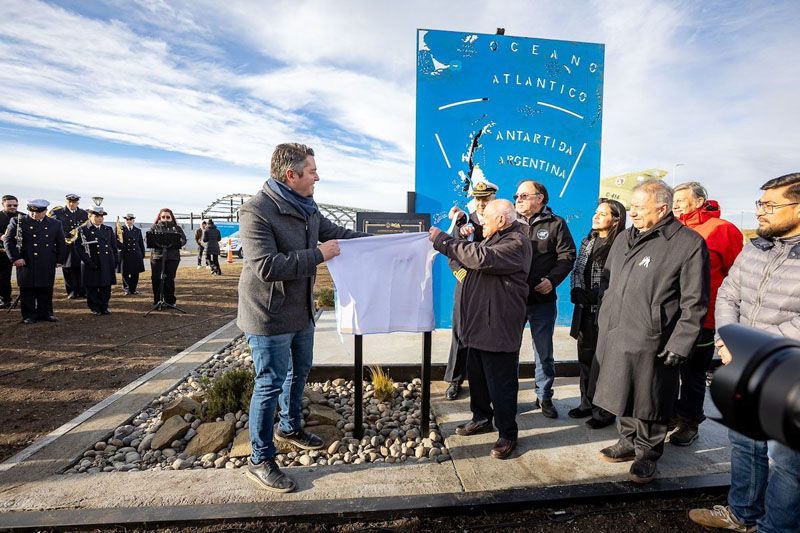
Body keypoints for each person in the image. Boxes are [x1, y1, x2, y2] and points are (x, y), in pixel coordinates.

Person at [237, 143, 369, 493]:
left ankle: (290, 427)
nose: (317, 176)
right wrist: (317, 255)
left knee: (300, 372)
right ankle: (260, 460)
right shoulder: (256, 211)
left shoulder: (308, 207)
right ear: (290, 175)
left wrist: (387, 242)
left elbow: (340, 235)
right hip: (268, 315)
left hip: (300, 312)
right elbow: (265, 267)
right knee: (269, 384)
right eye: (312, 171)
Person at [690, 172, 800, 533]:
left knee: (786, 461)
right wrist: (727, 341)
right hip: (741, 361)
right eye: (759, 204)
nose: (760, 213)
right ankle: (742, 514)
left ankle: (776, 527)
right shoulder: (756, 247)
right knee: (744, 444)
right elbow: (728, 295)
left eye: (770, 205)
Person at [592, 180, 709, 484]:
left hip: (654, 337)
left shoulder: (687, 244)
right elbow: (609, 283)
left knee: (651, 396)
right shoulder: (623, 239)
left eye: (639, 208)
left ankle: (647, 452)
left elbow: (695, 302)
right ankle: (628, 440)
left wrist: (682, 342)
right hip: (616, 330)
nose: (632, 213)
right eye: (631, 207)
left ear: (663, 207)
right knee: (622, 390)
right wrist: (604, 314)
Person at [429, 199, 532, 459]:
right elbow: (470, 255)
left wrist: (444, 241)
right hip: (477, 325)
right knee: (478, 378)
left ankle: (507, 434)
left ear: (501, 220)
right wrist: (459, 229)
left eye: (485, 217)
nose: (481, 221)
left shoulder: (516, 242)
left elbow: (480, 258)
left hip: (497, 325)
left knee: (501, 384)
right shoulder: (494, 238)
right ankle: (481, 417)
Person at [670, 181, 743, 446]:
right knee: (667, 369)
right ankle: (672, 413)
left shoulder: (722, 229)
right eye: (673, 199)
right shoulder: (673, 229)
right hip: (669, 316)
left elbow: (738, 278)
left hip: (703, 317)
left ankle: (690, 421)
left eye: (681, 199)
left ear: (700, 201)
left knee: (692, 372)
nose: (675, 203)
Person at [514, 180, 576, 418]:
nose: (518, 199)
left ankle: (544, 397)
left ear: (539, 198)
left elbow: (567, 256)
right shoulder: (509, 222)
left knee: (543, 352)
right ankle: (508, 396)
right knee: (509, 351)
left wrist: (552, 280)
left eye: (523, 195)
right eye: (517, 196)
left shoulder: (556, 224)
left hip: (542, 301)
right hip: (514, 300)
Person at [568, 198, 626, 429]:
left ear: (615, 220)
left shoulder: (621, 244)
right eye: (596, 212)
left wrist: (598, 295)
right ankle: (587, 403)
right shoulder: (588, 240)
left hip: (607, 313)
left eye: (602, 214)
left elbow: (620, 279)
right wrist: (576, 290)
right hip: (584, 312)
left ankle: (605, 410)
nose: (596, 216)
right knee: (586, 359)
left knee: (605, 362)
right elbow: (577, 270)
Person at [443, 180, 498, 401]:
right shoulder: (464, 221)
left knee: (490, 336)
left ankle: (486, 382)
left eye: (486, 198)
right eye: (478, 199)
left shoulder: (500, 221)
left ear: (494, 198)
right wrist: (465, 279)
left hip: (493, 289)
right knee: (461, 334)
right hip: (467, 287)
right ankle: (455, 381)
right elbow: (452, 256)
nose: (482, 203)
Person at [2, 199, 65, 323]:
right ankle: (29, 315)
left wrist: (60, 259)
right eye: (31, 212)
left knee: (46, 288)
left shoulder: (55, 223)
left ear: (45, 211)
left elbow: (61, 243)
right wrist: (15, 258)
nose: (34, 215)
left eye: (38, 212)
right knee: (27, 289)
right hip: (26, 261)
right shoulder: (18, 221)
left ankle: (46, 313)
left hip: (46, 260)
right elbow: (8, 241)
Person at [74, 205, 119, 315]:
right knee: (92, 286)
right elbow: (78, 247)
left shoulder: (107, 229)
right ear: (89, 216)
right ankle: (95, 307)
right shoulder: (82, 230)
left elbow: (113, 246)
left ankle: (104, 306)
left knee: (105, 286)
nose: (100, 218)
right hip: (92, 262)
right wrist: (88, 261)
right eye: (97, 216)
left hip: (106, 261)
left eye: (101, 216)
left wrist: (115, 260)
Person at [49, 193, 88, 299]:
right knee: (68, 268)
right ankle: (72, 291)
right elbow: (55, 228)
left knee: (81, 268)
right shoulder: (58, 212)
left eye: (74, 202)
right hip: (66, 245)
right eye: (69, 202)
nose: (72, 204)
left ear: (77, 203)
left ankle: (82, 291)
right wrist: (68, 235)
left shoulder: (84, 213)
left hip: (80, 245)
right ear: (66, 202)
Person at [146, 208, 187, 306]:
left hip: (172, 258)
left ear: (171, 217)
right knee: (156, 279)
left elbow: (184, 240)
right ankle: (157, 301)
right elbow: (147, 239)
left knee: (169, 279)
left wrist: (178, 243)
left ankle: (170, 301)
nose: (165, 219)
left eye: (167, 217)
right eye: (163, 217)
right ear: (160, 217)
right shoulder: (155, 227)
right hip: (157, 257)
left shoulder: (177, 228)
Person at [117, 213, 145, 295]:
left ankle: (133, 289)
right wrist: (121, 246)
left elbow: (140, 244)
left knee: (135, 273)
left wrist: (142, 254)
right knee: (125, 273)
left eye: (130, 220)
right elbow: (116, 242)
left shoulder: (138, 230)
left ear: (133, 221)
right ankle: (127, 289)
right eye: (127, 220)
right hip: (125, 254)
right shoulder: (120, 229)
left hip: (136, 254)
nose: (128, 221)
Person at [0, 194, 19, 308]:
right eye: (9, 205)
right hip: (2, 251)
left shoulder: (23, 216)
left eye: (15, 205)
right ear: (3, 204)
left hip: (19, 252)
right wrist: (2, 236)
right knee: (3, 277)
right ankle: (5, 299)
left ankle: (29, 298)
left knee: (25, 276)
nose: (13, 207)